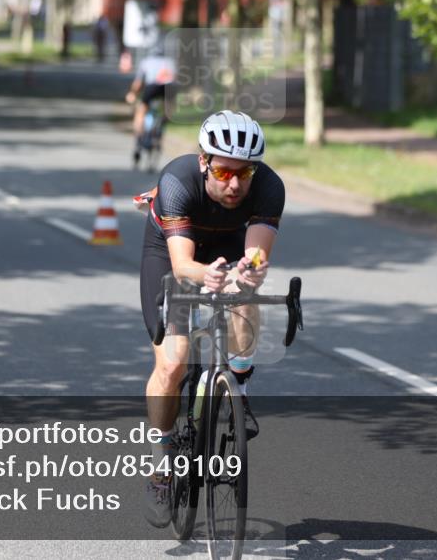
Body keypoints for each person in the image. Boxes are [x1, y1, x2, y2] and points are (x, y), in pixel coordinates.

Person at [137, 110, 284, 527]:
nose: (235, 183)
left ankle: (237, 382)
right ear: (204, 162)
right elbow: (183, 266)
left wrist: (251, 269)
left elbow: (256, 253)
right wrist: (209, 275)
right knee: (172, 363)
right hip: (172, 253)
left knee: (245, 289)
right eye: (223, 171)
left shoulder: (269, 187)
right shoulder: (176, 182)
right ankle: (162, 465)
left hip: (231, 243)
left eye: (245, 172)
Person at [125, 45, 176, 168]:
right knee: (169, 107)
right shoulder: (170, 62)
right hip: (167, 88)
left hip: (152, 87)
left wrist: (132, 93)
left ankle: (138, 136)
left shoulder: (146, 62)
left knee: (141, 110)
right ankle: (164, 120)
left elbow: (138, 83)